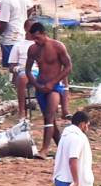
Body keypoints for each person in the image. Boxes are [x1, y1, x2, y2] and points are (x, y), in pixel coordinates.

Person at [26, 23, 72, 158]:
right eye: (34, 39)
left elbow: (68, 67)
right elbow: (28, 70)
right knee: (52, 122)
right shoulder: (33, 49)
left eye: (38, 38)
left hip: (55, 87)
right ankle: (62, 149)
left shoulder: (58, 46)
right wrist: (35, 84)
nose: (36, 41)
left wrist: (53, 82)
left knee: (49, 116)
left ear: (43, 33)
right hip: (41, 86)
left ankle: (44, 150)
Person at [6, 18, 36, 121]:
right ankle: (22, 110)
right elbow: (11, 66)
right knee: (23, 77)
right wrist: (18, 69)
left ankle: (61, 107)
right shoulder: (18, 45)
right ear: (25, 28)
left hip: (40, 70)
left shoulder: (41, 44)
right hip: (24, 70)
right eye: (31, 27)